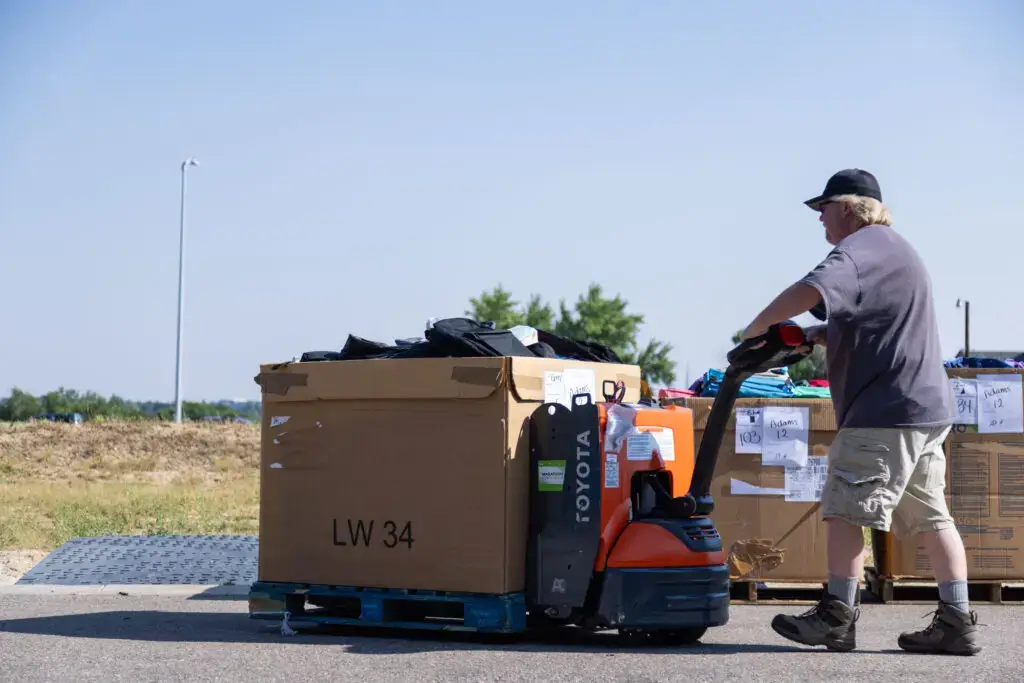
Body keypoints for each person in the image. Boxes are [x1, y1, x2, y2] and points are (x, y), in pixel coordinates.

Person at [739, 168, 981, 655]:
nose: (821, 220)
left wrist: (755, 328)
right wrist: (822, 334)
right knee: (933, 516)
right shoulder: (897, 252)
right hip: (926, 410)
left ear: (848, 208)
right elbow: (881, 321)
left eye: (823, 209)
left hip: (883, 411)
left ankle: (836, 615)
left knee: (845, 505)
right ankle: (957, 621)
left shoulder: (858, 250)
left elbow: (809, 289)